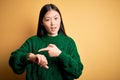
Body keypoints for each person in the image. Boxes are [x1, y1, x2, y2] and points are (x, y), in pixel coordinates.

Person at [9, 3, 83, 80]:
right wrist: (31, 57)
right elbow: (13, 60)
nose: (53, 23)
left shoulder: (69, 42)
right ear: (42, 22)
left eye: (56, 18)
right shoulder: (32, 41)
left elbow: (77, 71)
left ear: (60, 19)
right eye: (47, 19)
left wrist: (60, 54)